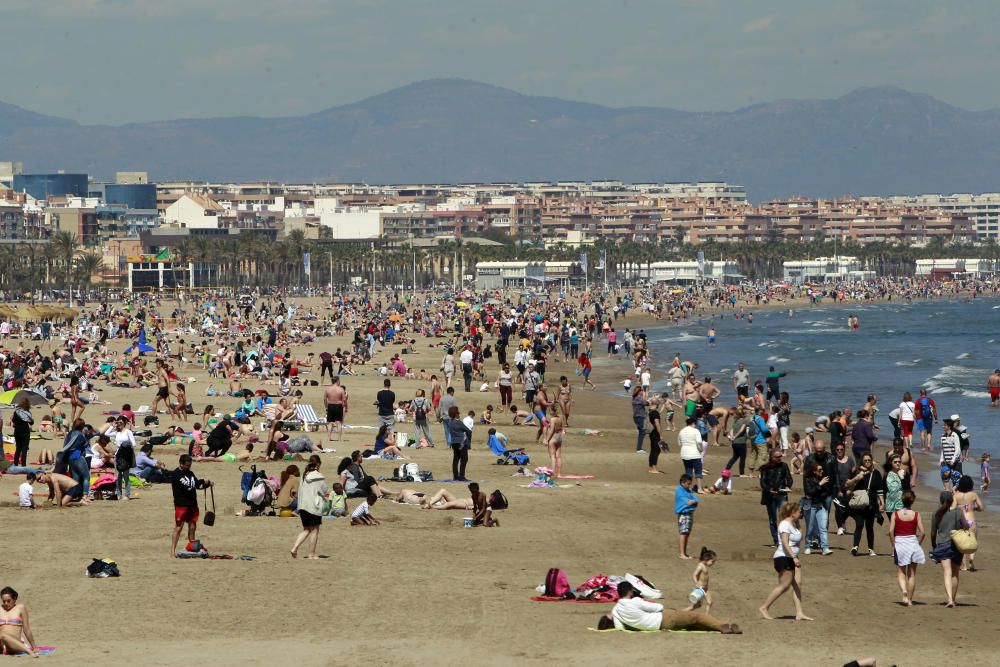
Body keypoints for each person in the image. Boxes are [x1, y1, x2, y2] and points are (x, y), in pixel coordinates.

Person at [598, 581, 740, 633]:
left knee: (691, 623)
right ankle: (722, 625)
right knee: (697, 616)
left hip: (660, 626)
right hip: (663, 618)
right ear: (629, 591)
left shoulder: (616, 610)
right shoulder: (635, 601)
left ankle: (722, 624)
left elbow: (620, 628)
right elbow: (658, 606)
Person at [759, 502, 813, 621]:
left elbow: (799, 537)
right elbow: (784, 542)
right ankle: (764, 607)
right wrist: (794, 557)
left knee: (797, 584)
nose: (801, 512)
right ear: (792, 513)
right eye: (799, 511)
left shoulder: (794, 524)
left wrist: (797, 522)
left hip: (793, 558)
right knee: (784, 585)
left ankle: (799, 613)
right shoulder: (784, 524)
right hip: (783, 558)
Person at [929, 491, 968, 607]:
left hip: (942, 545)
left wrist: (933, 545)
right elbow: (966, 526)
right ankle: (953, 599)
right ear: (952, 500)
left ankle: (950, 599)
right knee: (955, 574)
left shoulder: (936, 513)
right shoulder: (958, 512)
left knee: (947, 572)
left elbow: (932, 532)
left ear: (941, 501)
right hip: (957, 545)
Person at [169, 454, 213, 558]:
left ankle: (192, 547)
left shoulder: (190, 473)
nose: (189, 467)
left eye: (190, 465)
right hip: (181, 505)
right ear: (181, 464)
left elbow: (196, 485)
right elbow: (188, 486)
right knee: (179, 527)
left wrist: (206, 484)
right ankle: (172, 551)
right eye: (187, 465)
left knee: (193, 526)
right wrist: (203, 481)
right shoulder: (176, 475)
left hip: (192, 504)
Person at [889, 490, 925, 606]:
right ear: (912, 501)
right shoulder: (916, 514)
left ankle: (904, 592)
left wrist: (893, 543)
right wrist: (918, 543)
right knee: (912, 574)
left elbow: (890, 531)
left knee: (901, 572)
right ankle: (909, 599)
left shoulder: (895, 514)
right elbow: (923, 532)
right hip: (913, 543)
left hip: (900, 543)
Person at [845, 452, 884, 557]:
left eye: (869, 460)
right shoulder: (857, 471)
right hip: (859, 503)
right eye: (865, 460)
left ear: (872, 461)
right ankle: (855, 547)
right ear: (862, 461)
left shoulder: (876, 474)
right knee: (859, 524)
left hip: (871, 504)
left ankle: (871, 549)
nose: (867, 462)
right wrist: (857, 478)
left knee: (869, 527)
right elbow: (847, 484)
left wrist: (882, 503)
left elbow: (880, 490)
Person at [290, 458, 328, 559]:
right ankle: (311, 553)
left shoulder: (304, 475)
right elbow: (324, 490)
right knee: (315, 530)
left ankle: (294, 548)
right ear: (318, 464)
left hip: (302, 506)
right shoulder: (319, 476)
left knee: (306, 529)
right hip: (313, 506)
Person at [759, 448, 792, 547]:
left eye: (780, 456)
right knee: (773, 519)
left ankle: (784, 540)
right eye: (777, 457)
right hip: (770, 496)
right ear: (771, 457)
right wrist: (769, 489)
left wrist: (788, 486)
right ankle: (776, 540)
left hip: (782, 494)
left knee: (784, 518)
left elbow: (789, 479)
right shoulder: (765, 468)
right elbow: (762, 482)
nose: (779, 458)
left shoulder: (784, 466)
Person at [951, 475, 983, 572]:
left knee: (962, 543)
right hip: (971, 521)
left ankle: (964, 566)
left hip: (961, 521)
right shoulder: (973, 495)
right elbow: (981, 507)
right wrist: (974, 508)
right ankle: (971, 560)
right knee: (973, 541)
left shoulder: (956, 495)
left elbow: (952, 508)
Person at [0, 587, 37, 657]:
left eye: (8, 601)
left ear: (15, 598)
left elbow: (26, 629)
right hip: (1, 644)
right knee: (2, 636)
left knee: (3, 636)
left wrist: (34, 647)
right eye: (4, 601)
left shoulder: (20, 608)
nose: (6, 603)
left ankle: (29, 651)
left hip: (14, 645)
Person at [112, 416, 137, 500]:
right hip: (117, 456)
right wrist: (113, 425)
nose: (119, 424)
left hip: (125, 456)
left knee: (126, 476)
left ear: (124, 423)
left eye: (121, 422)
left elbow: (133, 444)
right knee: (118, 477)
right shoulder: (117, 433)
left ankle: (127, 495)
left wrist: (125, 445)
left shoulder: (128, 432)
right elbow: (106, 433)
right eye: (118, 422)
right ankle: (119, 494)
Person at [684, 547, 716, 612]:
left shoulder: (704, 566)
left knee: (709, 603)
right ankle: (679, 613)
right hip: (700, 589)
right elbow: (694, 575)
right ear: (706, 559)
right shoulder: (700, 566)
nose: (713, 563)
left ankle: (706, 617)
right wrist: (696, 583)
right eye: (712, 561)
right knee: (694, 606)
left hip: (705, 589)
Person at [675, 474, 699, 559]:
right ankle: (682, 554)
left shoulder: (688, 491)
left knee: (687, 533)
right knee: (683, 532)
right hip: (683, 514)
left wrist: (692, 501)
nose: (689, 485)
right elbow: (687, 502)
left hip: (689, 514)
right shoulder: (679, 490)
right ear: (682, 483)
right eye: (688, 484)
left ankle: (685, 553)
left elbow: (696, 499)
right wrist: (692, 502)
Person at [447, 405, 473, 481]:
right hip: (461, 442)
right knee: (464, 459)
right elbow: (468, 431)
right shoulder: (459, 422)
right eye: (458, 412)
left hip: (454, 442)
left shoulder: (450, 422)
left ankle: (455, 476)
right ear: (456, 414)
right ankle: (462, 476)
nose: (459, 413)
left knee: (456, 459)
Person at [678, 417, 704, 491]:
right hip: (694, 454)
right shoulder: (696, 431)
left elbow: (679, 443)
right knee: (698, 471)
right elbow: (699, 442)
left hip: (684, 453)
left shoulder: (681, 431)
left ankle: (688, 488)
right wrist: (701, 449)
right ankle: (699, 488)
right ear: (693, 423)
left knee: (688, 472)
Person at [939, 418, 961, 491]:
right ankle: (947, 491)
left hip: (956, 462)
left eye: (945, 425)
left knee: (957, 479)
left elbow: (957, 449)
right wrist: (941, 460)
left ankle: (956, 494)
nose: (943, 427)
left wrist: (953, 460)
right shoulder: (942, 436)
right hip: (946, 461)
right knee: (945, 477)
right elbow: (943, 449)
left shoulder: (955, 435)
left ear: (949, 426)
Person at [10, 398, 33, 467]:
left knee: (18, 448)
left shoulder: (16, 411)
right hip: (25, 431)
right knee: (24, 448)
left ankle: (15, 463)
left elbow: (13, 420)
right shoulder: (28, 413)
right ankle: (23, 464)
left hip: (17, 431)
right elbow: (31, 423)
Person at [323, 376, 347, 443]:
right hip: (338, 406)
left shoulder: (327, 389)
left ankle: (329, 438)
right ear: (337, 381)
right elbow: (344, 400)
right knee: (338, 423)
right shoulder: (341, 389)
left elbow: (325, 399)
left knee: (330, 423)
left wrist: (326, 407)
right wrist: (345, 407)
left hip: (330, 405)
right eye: (339, 381)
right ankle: (339, 438)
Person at [630, 386, 648, 455]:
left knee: (642, 432)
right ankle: (639, 449)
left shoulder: (634, 398)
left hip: (636, 417)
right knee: (642, 432)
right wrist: (653, 399)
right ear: (640, 391)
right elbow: (647, 403)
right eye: (642, 391)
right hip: (640, 417)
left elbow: (644, 403)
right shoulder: (639, 398)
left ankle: (639, 448)